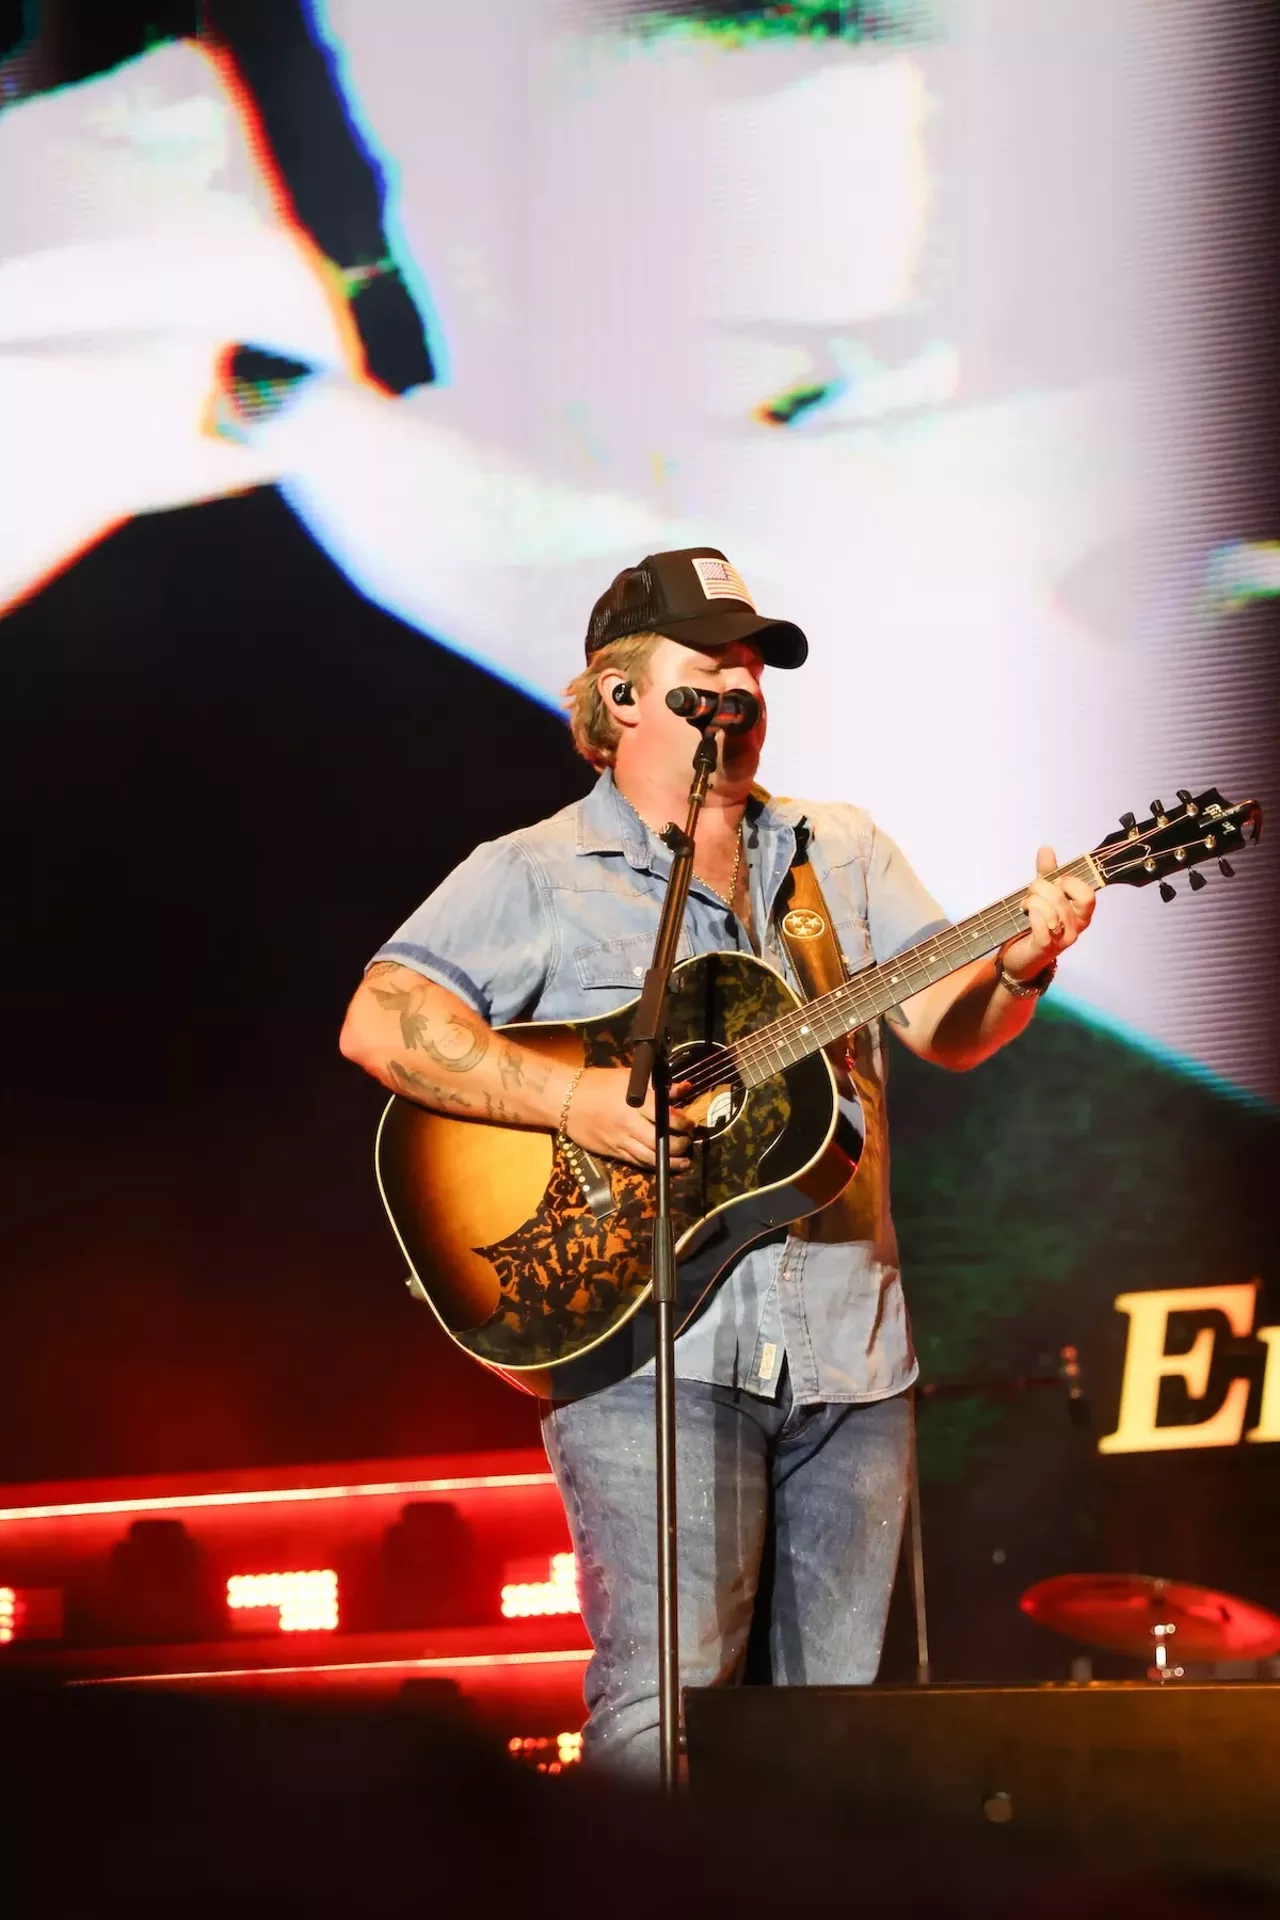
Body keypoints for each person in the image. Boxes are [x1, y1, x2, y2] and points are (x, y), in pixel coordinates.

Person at [338, 546, 1096, 1773]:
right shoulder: (533, 872)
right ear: (622, 695)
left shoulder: (834, 852)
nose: (741, 685)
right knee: (661, 1717)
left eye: (754, 663)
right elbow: (379, 1020)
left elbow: (942, 1031)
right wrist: (570, 1097)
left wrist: (1018, 964)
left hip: (851, 1354)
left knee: (833, 1749)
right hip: (649, 1349)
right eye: (713, 662)